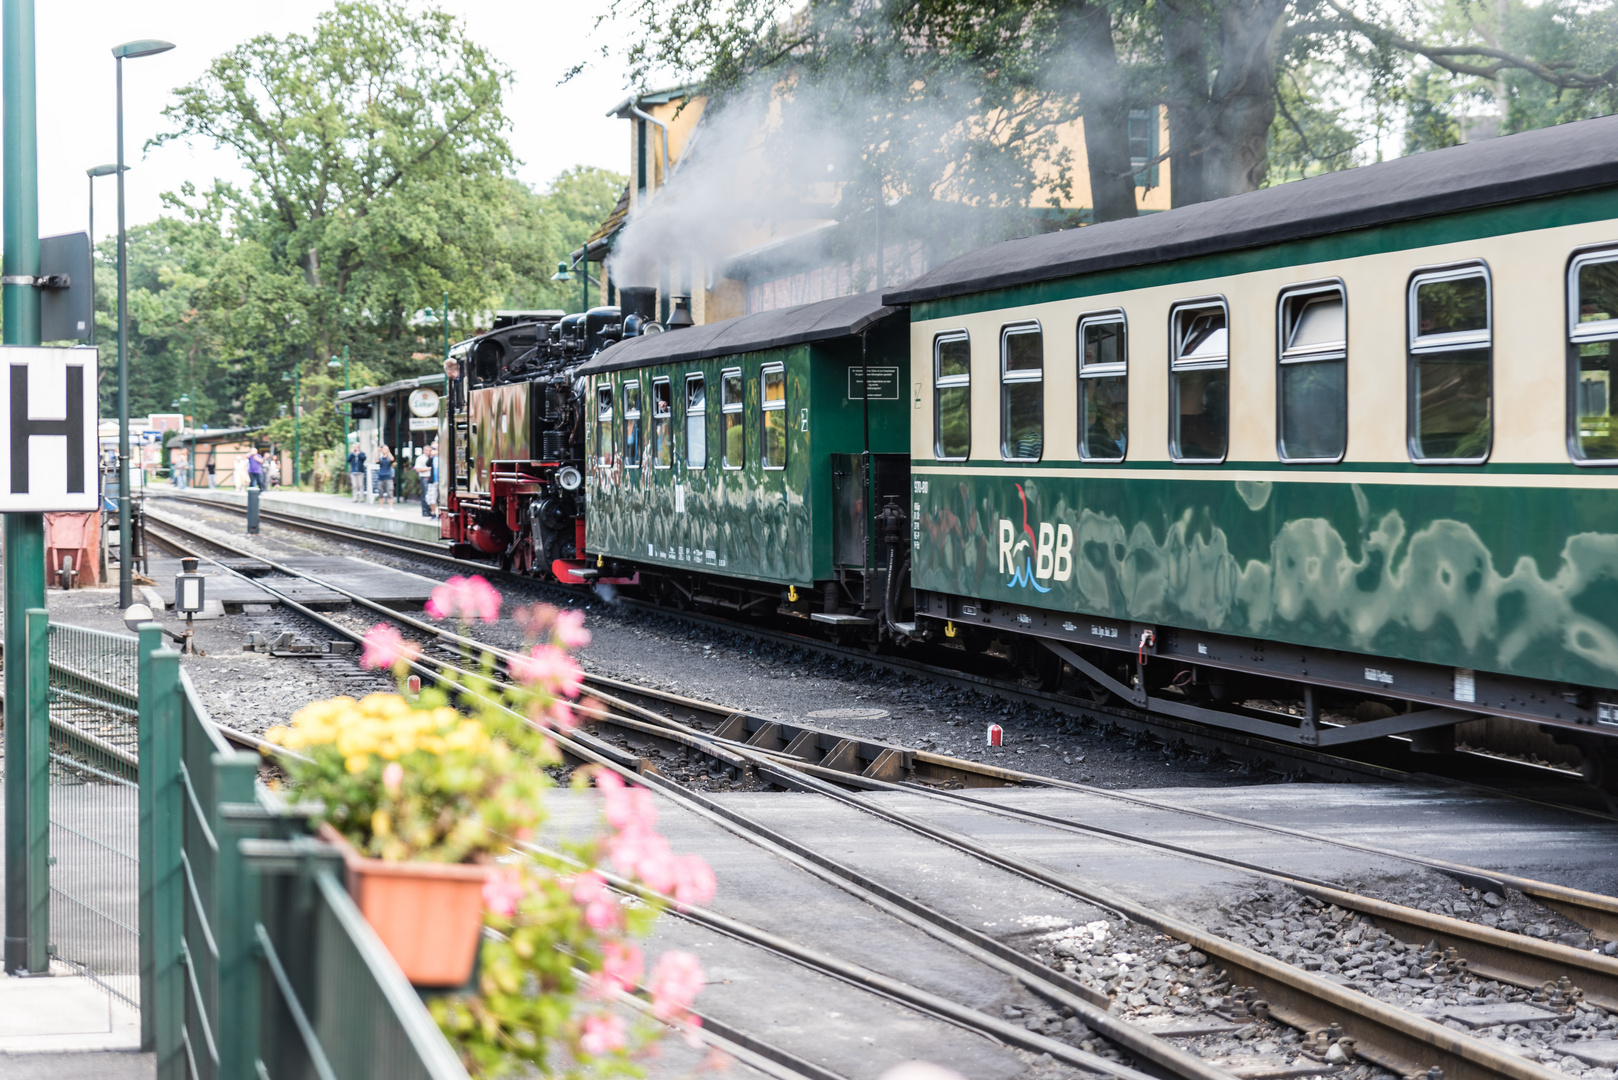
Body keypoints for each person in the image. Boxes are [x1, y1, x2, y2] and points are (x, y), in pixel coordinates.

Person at [413, 444, 431, 516]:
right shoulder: (420, 458)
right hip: (425, 477)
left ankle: (430, 510)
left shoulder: (432, 457)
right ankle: (425, 510)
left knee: (430, 494)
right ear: (423, 451)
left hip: (431, 477)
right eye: (427, 450)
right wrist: (428, 469)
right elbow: (417, 469)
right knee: (425, 494)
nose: (428, 452)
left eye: (429, 450)